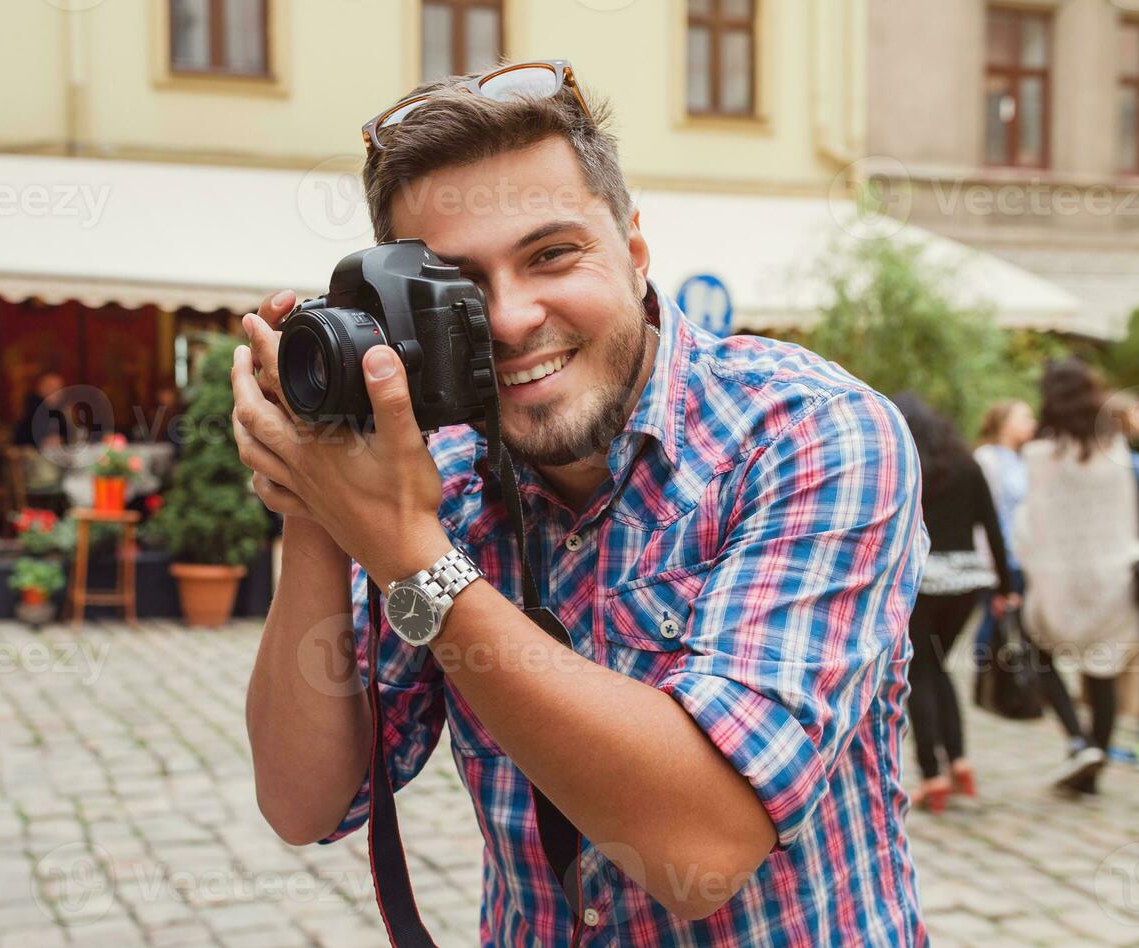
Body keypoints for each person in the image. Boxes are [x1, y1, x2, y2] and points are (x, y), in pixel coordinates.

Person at [235, 60, 928, 943]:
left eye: (551, 255)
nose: (515, 317)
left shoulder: (810, 435)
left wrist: (415, 556)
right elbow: (305, 799)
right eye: (458, 287)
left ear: (634, 250)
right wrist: (316, 494)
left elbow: (703, 850)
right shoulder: (434, 475)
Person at [1015, 359, 1139, 795]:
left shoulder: (1038, 456)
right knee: (1102, 670)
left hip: (1058, 582)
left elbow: (1029, 525)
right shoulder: (1117, 450)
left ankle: (1077, 738)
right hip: (1114, 579)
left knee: (1034, 646)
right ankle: (1097, 761)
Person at [893, 394, 1014, 813]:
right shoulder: (968, 464)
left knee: (919, 672)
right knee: (939, 666)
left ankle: (932, 774)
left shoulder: (903, 465)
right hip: (967, 584)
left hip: (921, 581)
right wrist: (1005, 587)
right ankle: (960, 759)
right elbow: (992, 527)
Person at [972, 399, 1035, 662]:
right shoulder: (987, 458)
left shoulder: (1024, 459)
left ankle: (1015, 684)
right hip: (997, 557)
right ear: (1005, 423)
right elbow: (984, 515)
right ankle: (985, 678)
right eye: (1025, 418)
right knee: (994, 619)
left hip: (1022, 556)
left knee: (1020, 624)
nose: (1032, 424)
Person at [13, 371, 71, 449]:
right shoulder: (32, 408)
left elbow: (69, 435)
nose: (56, 392)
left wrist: (62, 440)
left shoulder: (61, 410)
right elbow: (22, 439)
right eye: (51, 387)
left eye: (59, 388)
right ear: (40, 389)